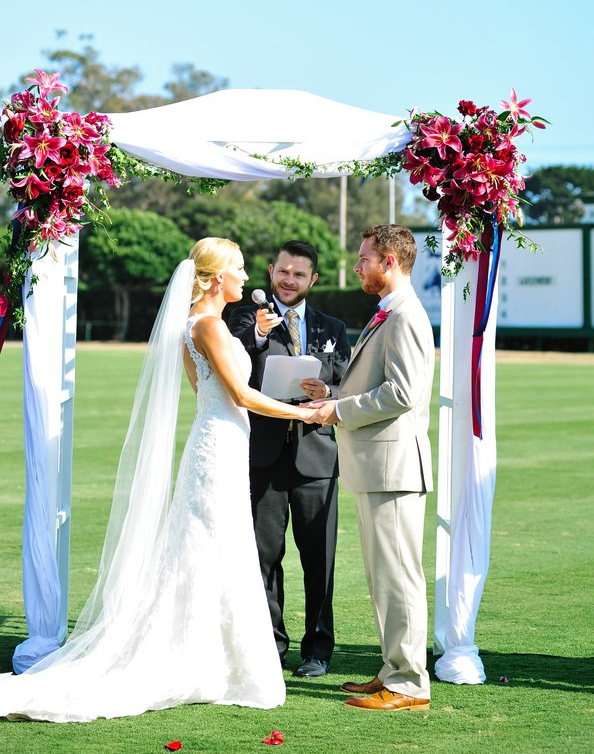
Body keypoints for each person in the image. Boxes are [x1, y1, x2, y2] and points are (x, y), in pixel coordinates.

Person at [0, 237, 320, 723]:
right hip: (219, 442)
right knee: (208, 544)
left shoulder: (196, 326)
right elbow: (242, 395)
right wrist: (311, 414)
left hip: (218, 440)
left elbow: (209, 389)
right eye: (237, 268)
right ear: (215, 279)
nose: (246, 276)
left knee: (212, 546)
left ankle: (212, 656)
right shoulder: (209, 326)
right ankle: (206, 659)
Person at [305, 225, 434, 711]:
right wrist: (334, 395)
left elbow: (402, 393)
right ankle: (391, 671)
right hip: (377, 467)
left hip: (394, 468)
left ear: (390, 262)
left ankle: (407, 684)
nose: (357, 266)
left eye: (364, 259)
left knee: (399, 577)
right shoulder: (390, 312)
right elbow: (377, 385)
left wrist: (338, 410)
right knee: (386, 577)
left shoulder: (406, 316)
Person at [228, 241, 351, 678]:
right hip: (262, 456)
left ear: (313, 279)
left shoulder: (332, 325)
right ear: (270, 271)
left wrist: (329, 394)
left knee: (319, 559)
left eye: (299, 274)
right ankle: (270, 646)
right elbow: (236, 360)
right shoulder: (243, 317)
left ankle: (318, 649)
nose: (289, 280)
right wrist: (260, 333)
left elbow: (346, 384)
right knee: (263, 557)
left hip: (317, 456)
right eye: (283, 271)